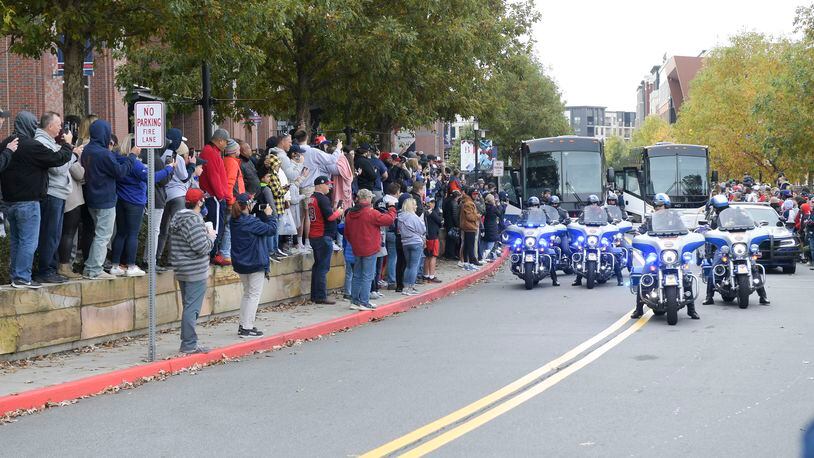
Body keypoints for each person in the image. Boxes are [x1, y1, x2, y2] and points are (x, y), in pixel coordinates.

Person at [1, 111, 76, 288]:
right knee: (29, 241)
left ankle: (16, 275)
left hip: (8, 202)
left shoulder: (7, 143)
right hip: (28, 202)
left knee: (16, 241)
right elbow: (57, 159)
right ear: (28, 125)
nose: (36, 128)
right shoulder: (31, 145)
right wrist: (68, 145)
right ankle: (22, 277)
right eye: (34, 125)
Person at [110, 135, 173, 277]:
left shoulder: (117, 159)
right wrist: (169, 169)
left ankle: (115, 265)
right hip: (135, 201)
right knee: (133, 235)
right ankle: (131, 266)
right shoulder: (135, 164)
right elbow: (152, 178)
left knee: (121, 233)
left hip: (120, 200)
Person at [81, 120, 134, 280]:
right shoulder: (104, 153)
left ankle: (90, 267)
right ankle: (95, 270)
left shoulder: (87, 150)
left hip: (91, 197)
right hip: (105, 199)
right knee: (103, 236)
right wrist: (132, 157)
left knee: (98, 234)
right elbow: (120, 172)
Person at [35, 112, 81, 284]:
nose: (62, 128)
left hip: (59, 193)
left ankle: (51, 269)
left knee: (55, 233)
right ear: (49, 126)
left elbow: (61, 162)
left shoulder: (51, 143)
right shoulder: (42, 142)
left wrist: (70, 153)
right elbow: (58, 168)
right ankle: (45, 271)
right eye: (59, 124)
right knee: (50, 234)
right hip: (52, 193)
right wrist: (72, 152)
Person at [170, 188, 215, 354]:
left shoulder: (178, 217)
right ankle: (189, 344)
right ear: (199, 202)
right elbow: (201, 246)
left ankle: (188, 341)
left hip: (182, 268)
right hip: (194, 270)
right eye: (203, 200)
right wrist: (211, 237)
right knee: (192, 308)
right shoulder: (193, 220)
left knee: (188, 306)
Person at [230, 192, 278, 337]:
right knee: (253, 295)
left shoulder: (234, 221)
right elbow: (271, 230)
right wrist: (269, 215)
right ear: (248, 205)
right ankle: (246, 327)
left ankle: (243, 324)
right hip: (255, 262)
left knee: (247, 294)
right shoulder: (251, 222)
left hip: (240, 263)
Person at [344, 188, 397, 309]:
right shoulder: (371, 213)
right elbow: (389, 220)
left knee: (357, 275)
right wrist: (392, 208)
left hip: (357, 248)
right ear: (367, 199)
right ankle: (364, 301)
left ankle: (355, 301)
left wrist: (354, 243)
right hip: (370, 248)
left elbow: (347, 233)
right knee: (368, 275)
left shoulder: (351, 213)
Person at [157, 131, 190, 266]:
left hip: (163, 196)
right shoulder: (178, 158)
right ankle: (174, 260)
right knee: (177, 229)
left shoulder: (159, 155)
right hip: (177, 195)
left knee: (161, 229)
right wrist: (192, 166)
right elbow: (184, 177)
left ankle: (157, 258)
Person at [199, 128, 231, 266]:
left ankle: (214, 252)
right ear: (220, 140)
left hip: (215, 195)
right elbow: (214, 176)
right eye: (226, 142)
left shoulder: (212, 151)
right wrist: (220, 195)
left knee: (217, 225)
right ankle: (212, 254)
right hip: (214, 196)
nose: (226, 145)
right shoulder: (210, 152)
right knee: (216, 227)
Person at [308, 176, 342, 304]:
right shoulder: (322, 198)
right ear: (320, 185)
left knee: (317, 266)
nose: (329, 187)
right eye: (327, 184)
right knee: (322, 267)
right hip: (322, 235)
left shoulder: (313, 197)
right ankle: (321, 296)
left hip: (315, 234)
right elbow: (330, 217)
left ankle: (315, 295)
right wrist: (338, 212)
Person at [398, 197, 427, 295]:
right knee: (414, 266)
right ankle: (410, 286)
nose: (416, 206)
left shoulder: (400, 217)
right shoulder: (413, 217)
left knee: (408, 265)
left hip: (405, 242)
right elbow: (422, 229)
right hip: (415, 241)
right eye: (414, 204)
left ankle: (405, 287)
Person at [603, 193, 625, 286]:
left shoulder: (620, 210)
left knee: (612, 255)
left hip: (612, 235)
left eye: (613, 200)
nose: (611, 202)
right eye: (610, 200)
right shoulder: (603, 211)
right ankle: (578, 278)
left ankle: (620, 278)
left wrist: (621, 221)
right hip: (600, 237)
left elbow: (624, 218)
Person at [459, 188, 481, 271]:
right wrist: (478, 216)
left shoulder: (468, 202)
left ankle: (467, 262)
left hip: (469, 226)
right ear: (471, 194)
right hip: (469, 226)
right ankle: (471, 261)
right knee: (469, 245)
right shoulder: (468, 203)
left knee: (468, 245)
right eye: (474, 194)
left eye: (477, 194)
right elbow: (470, 217)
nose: (476, 195)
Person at [422, 197, 443, 283]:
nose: (433, 204)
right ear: (427, 203)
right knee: (433, 256)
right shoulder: (431, 212)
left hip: (427, 236)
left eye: (433, 202)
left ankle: (426, 275)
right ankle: (431, 276)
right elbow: (440, 221)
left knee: (427, 256)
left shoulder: (424, 212)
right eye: (431, 202)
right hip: (433, 236)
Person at [482, 193, 500, 261]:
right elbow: (499, 214)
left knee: (485, 241)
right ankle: (487, 256)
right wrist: (499, 206)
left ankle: (483, 255)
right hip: (492, 226)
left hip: (485, 225)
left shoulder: (484, 207)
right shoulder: (493, 208)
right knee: (491, 242)